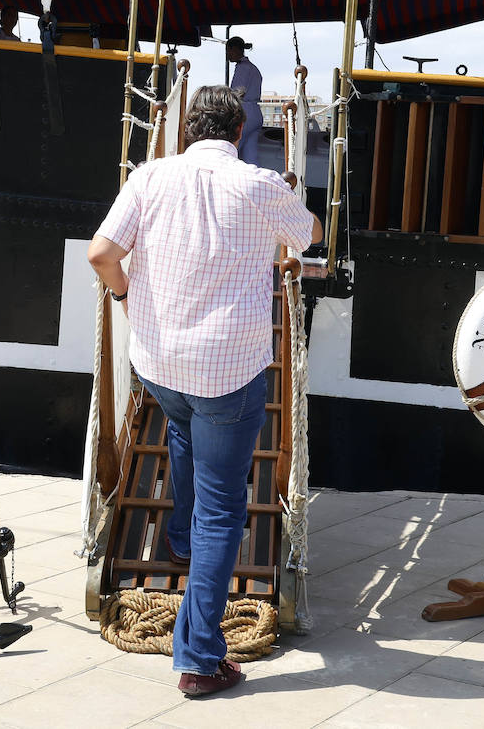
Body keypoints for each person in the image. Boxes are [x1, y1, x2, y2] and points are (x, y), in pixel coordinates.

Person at [87, 86, 322, 699]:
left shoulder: (148, 178)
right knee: (226, 510)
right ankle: (198, 659)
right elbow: (310, 236)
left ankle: (180, 540)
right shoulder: (260, 183)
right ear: (241, 128)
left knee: (183, 432)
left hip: (159, 366)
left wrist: (124, 297)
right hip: (227, 375)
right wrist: (289, 203)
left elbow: (102, 254)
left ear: (187, 128)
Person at [225, 36, 263, 165]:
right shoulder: (254, 68)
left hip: (244, 111)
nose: (228, 54)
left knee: (230, 150)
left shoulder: (242, 67)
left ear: (235, 49)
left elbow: (236, 93)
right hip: (256, 113)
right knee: (250, 157)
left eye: (229, 51)